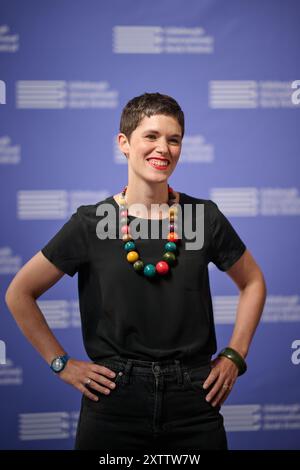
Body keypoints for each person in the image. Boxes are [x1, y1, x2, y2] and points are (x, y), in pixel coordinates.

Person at [5, 92, 267, 451]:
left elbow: (252, 281)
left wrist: (235, 354)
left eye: (174, 139)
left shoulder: (203, 217)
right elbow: (19, 293)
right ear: (124, 144)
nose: (164, 148)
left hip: (193, 399)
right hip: (115, 401)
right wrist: (61, 364)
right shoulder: (92, 221)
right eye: (152, 136)